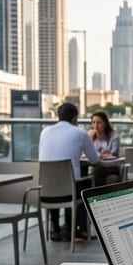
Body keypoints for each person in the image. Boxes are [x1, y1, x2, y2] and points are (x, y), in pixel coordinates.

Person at [37, 102, 99, 241]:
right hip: (69, 192)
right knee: (85, 184)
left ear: (58, 116)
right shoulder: (80, 133)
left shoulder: (45, 132)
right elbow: (95, 161)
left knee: (55, 181)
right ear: (75, 118)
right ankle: (75, 229)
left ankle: (55, 228)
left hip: (44, 192)